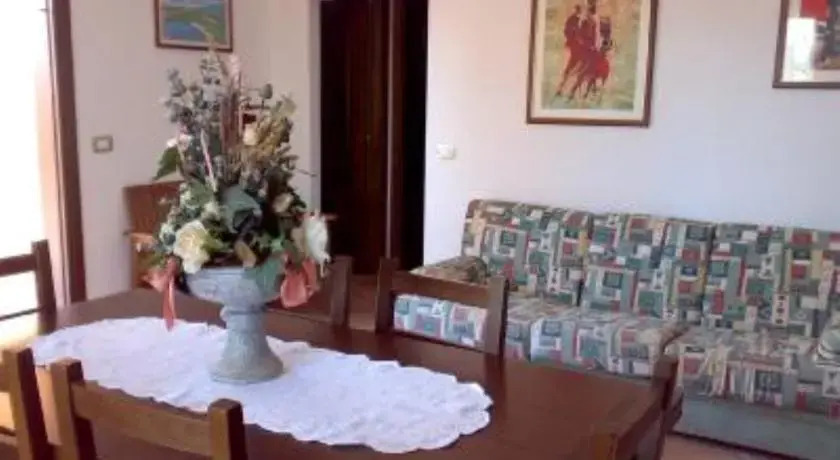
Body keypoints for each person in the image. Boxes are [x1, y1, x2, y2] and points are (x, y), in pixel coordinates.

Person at [556, 5, 583, 97]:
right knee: (572, 67)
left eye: (578, 11)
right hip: (575, 47)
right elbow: (568, 32)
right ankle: (563, 88)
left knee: (572, 68)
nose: (578, 12)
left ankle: (563, 87)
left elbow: (567, 32)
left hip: (575, 46)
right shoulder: (573, 20)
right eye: (578, 10)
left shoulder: (575, 20)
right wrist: (575, 37)